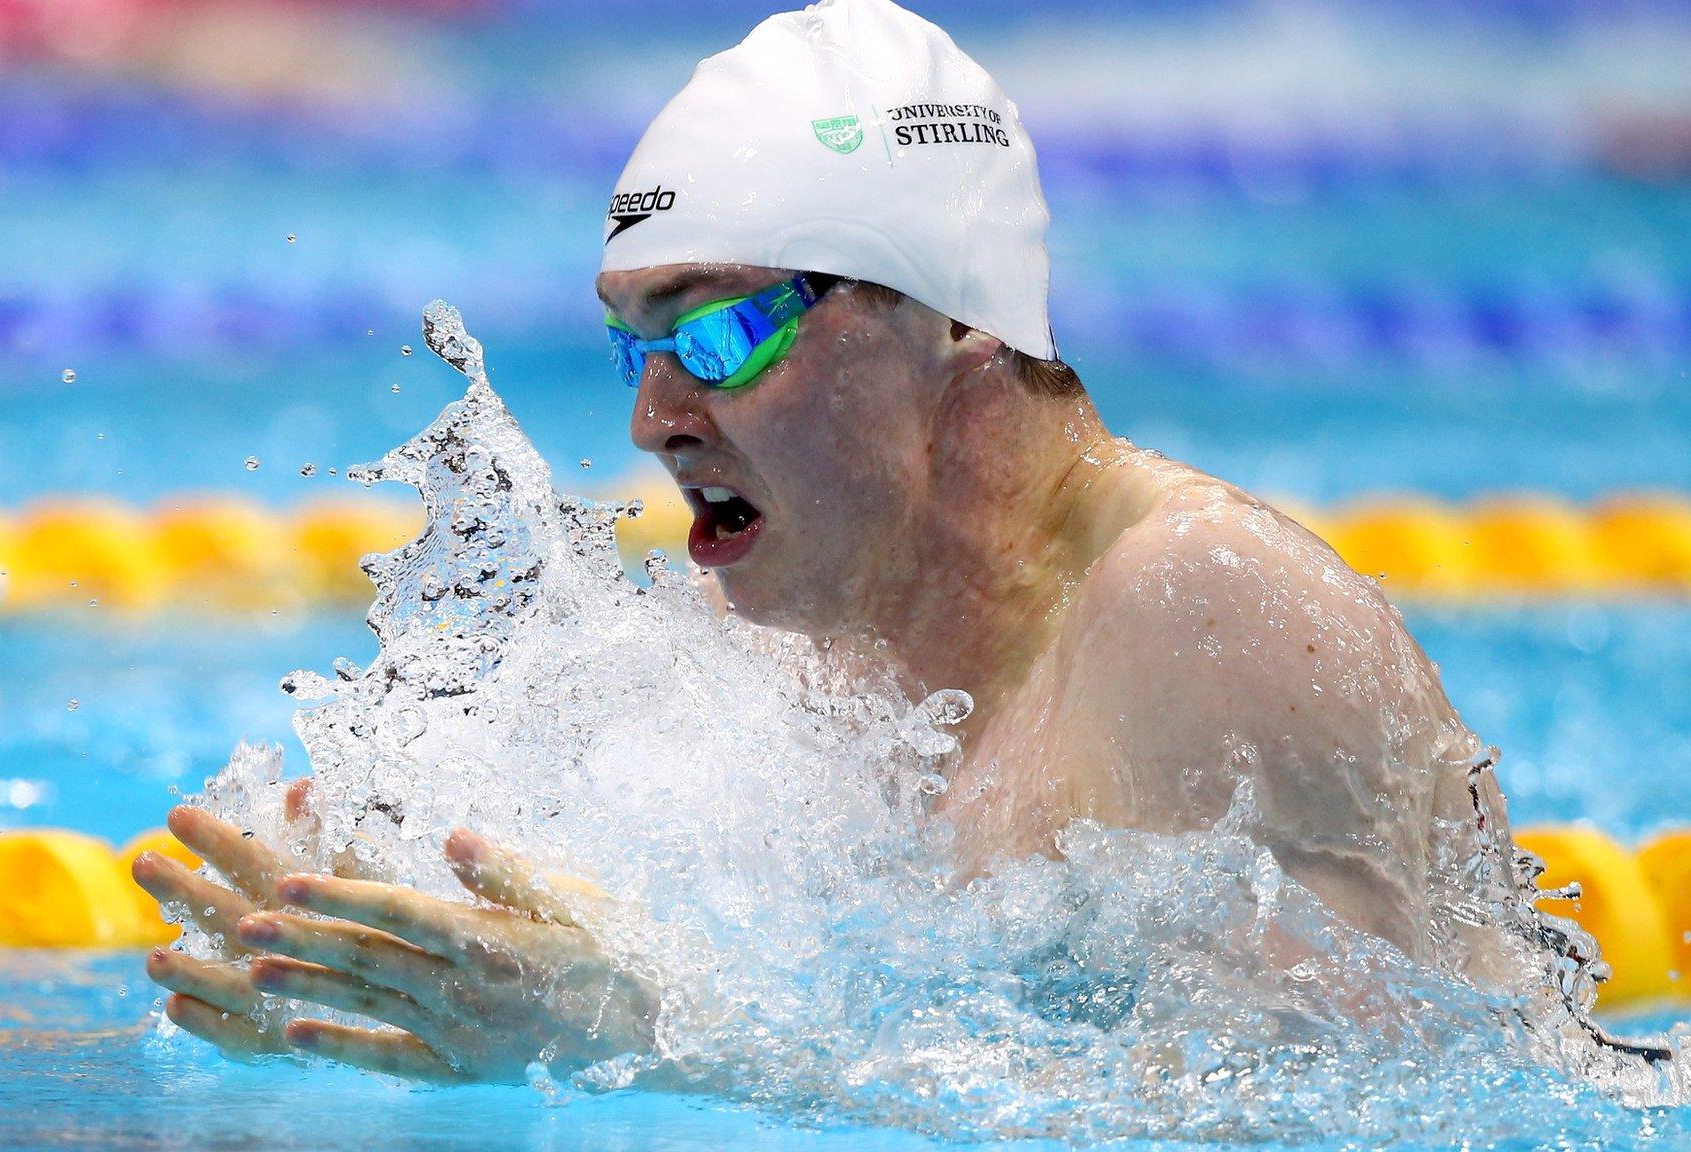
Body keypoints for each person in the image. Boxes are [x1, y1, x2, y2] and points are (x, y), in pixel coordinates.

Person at [135, 0, 1514, 1084]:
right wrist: (396, 984)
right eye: (638, 346)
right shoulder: (805, 660)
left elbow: (1323, 1118)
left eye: (722, 333)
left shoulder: (1207, 622)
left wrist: (651, 1040)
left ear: (950, 319)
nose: (652, 418)